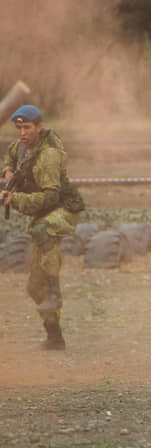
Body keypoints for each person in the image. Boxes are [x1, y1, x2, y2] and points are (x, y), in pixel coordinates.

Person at [1, 105, 84, 350]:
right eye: (18, 128)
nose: (22, 132)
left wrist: (16, 200)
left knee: (43, 229)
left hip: (63, 208)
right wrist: (7, 170)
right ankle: (55, 337)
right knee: (35, 287)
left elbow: (50, 199)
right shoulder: (20, 148)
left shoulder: (48, 155)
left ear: (39, 127)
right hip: (42, 216)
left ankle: (55, 291)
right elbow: (10, 156)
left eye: (27, 127)